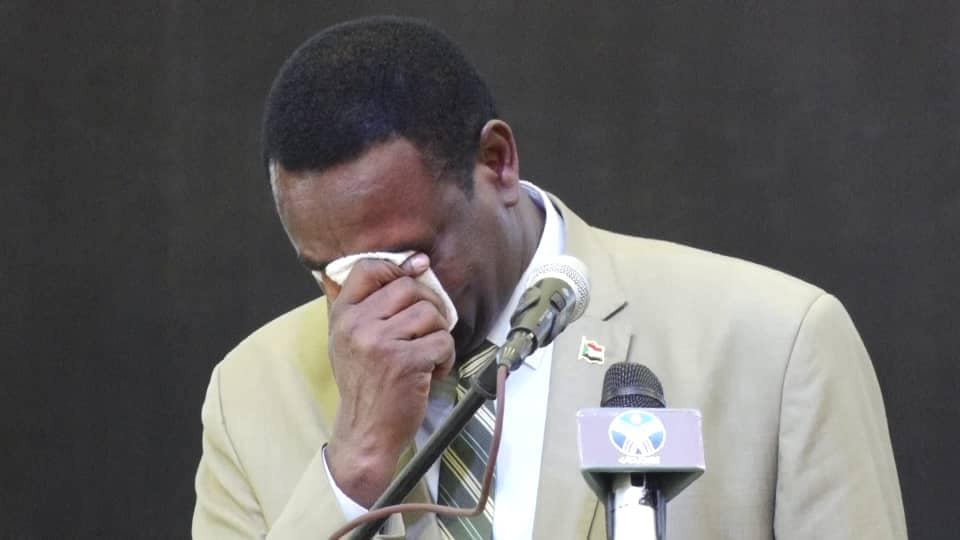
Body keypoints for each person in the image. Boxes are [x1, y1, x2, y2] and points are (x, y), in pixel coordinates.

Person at [192, 16, 908, 540]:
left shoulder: (776, 345)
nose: (372, 303)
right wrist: (354, 469)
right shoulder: (250, 393)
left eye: (408, 256)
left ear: (497, 162)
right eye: (330, 272)